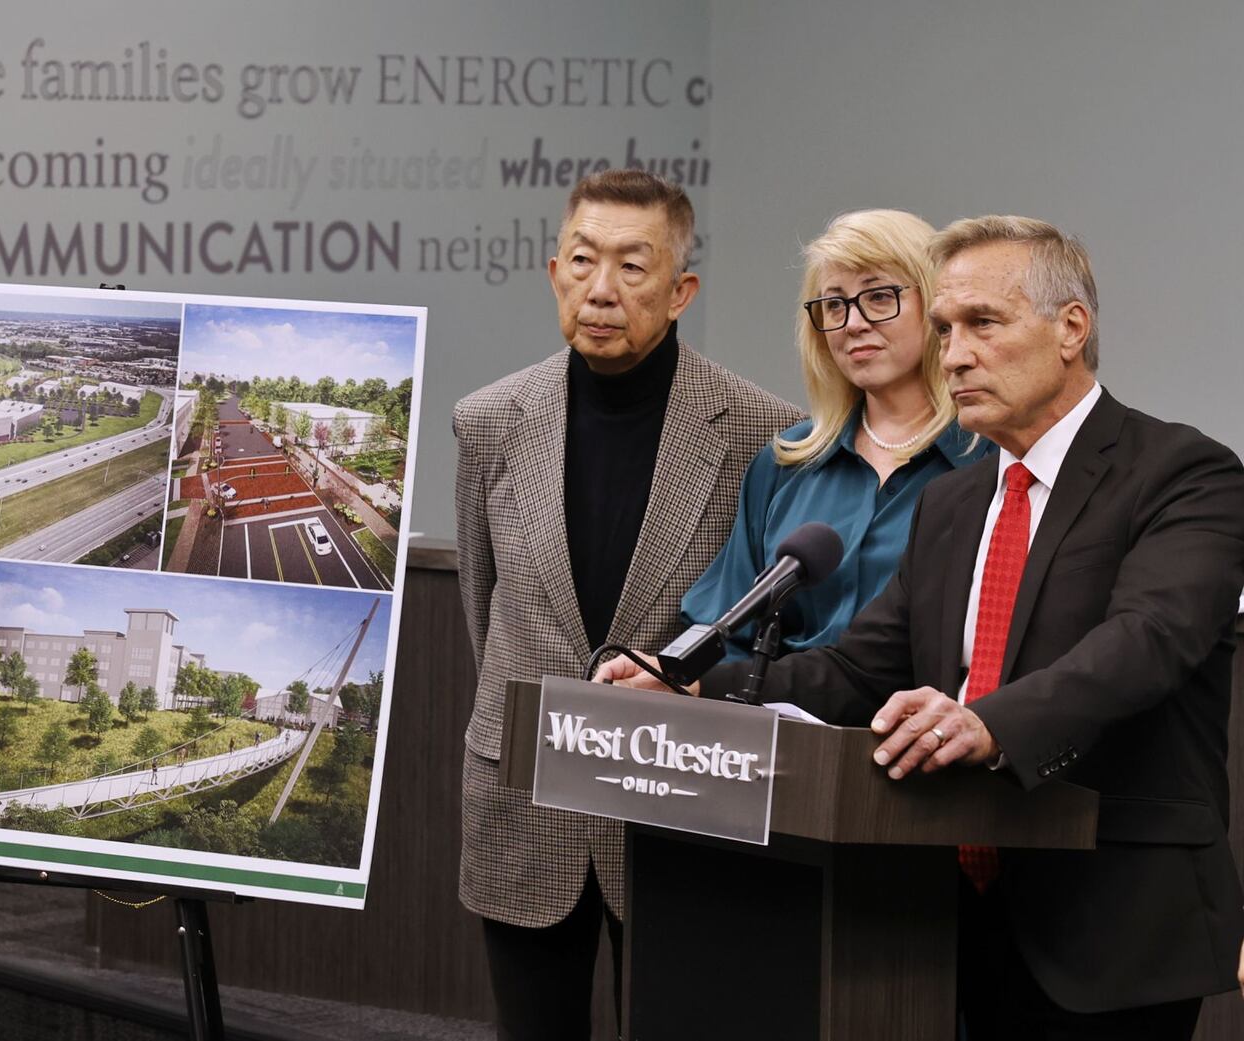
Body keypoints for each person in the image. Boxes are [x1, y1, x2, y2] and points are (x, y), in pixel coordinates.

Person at [599, 216, 1244, 1039]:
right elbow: (858, 669)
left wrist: (988, 723)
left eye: (983, 323)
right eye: (944, 329)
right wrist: (690, 681)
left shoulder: (1185, 473)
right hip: (938, 910)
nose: (955, 353)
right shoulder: (955, 502)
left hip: (1111, 914)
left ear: (1071, 328)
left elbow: (1147, 641)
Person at [453, 168, 801, 1039]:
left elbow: (762, 624)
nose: (602, 289)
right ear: (554, 271)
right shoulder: (489, 420)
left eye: (633, 267)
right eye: (583, 260)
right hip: (524, 795)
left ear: (681, 290)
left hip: (677, 807)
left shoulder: (761, 431)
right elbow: (480, 603)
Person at [680, 210, 989, 656]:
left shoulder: (992, 458)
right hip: (777, 718)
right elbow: (720, 629)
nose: (853, 323)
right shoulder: (784, 464)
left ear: (935, 305)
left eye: (880, 296)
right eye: (834, 305)